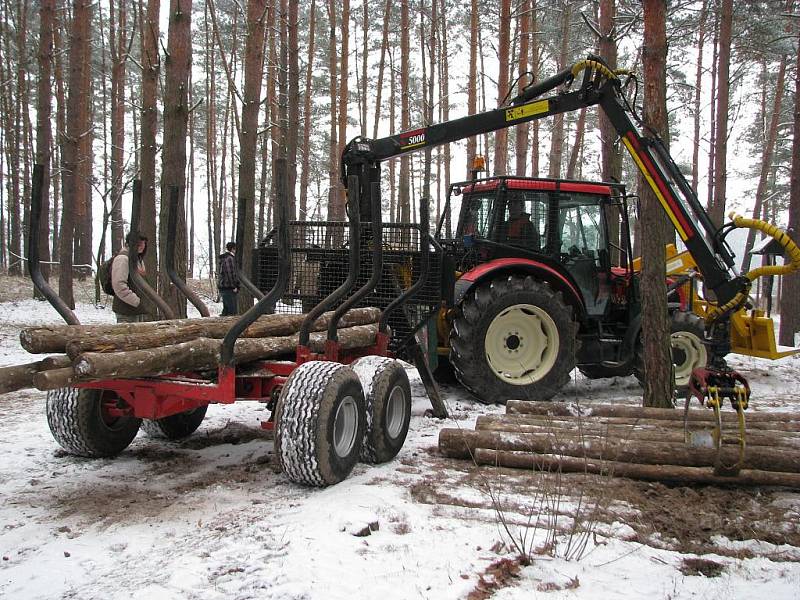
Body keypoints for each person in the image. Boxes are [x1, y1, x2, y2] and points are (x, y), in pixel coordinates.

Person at [111, 236, 150, 323]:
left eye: (143, 243)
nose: (142, 246)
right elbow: (119, 284)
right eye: (139, 243)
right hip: (126, 311)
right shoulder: (123, 259)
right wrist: (136, 301)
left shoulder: (137, 259)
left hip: (136, 310)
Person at [218, 242, 240, 316]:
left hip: (225, 287)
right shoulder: (229, 259)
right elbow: (230, 273)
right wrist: (235, 286)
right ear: (233, 249)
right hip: (229, 287)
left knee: (226, 311)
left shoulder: (225, 258)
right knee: (232, 312)